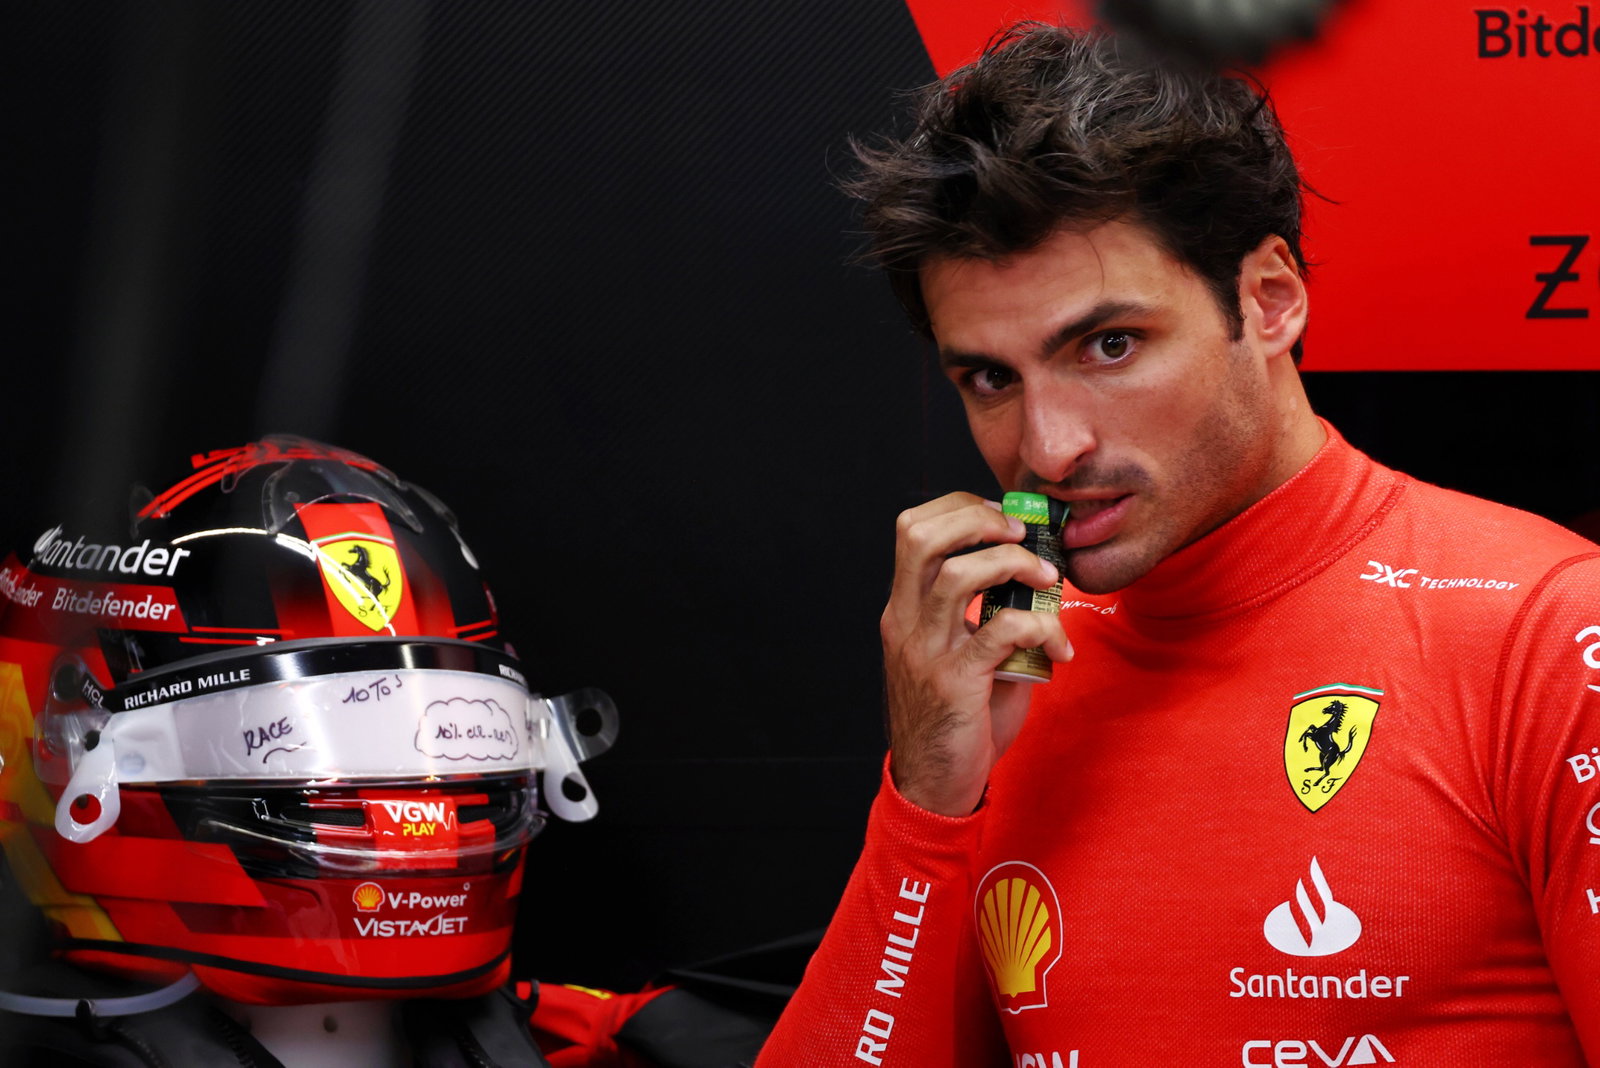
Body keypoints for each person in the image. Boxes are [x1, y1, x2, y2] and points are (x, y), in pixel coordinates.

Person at [757, 23, 1600, 1066]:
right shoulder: (1005, 666)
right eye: (990, 378)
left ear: (1268, 300)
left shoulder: (1550, 629)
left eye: (1108, 346)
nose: (1048, 449)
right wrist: (927, 800)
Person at [0, 436, 620, 1065]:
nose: (417, 801)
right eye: (288, 736)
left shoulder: (582, 1035)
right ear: (71, 740)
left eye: (463, 727)